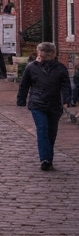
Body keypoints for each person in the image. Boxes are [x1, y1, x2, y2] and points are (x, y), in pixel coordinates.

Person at [16, 42, 76, 170]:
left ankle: (49, 157)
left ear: (54, 54)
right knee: (42, 128)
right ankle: (45, 159)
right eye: (44, 52)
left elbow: (66, 85)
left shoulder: (60, 68)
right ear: (39, 53)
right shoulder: (31, 67)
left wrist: (67, 99)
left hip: (54, 104)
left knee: (51, 132)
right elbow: (24, 85)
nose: (46, 54)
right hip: (37, 103)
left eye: (49, 52)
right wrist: (21, 99)